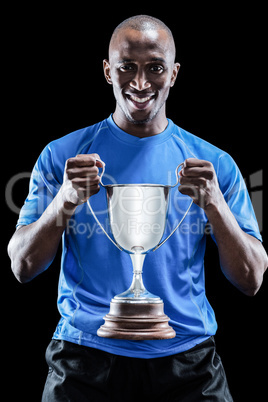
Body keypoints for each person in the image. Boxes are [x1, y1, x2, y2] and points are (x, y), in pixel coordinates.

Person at [8, 15, 267, 401]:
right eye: (127, 67)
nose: (141, 83)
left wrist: (215, 205)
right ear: (107, 71)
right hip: (84, 361)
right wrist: (64, 200)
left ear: (174, 73)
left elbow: (251, 278)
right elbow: (22, 267)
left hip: (188, 364)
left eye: (155, 68)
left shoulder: (213, 164)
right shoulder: (62, 156)